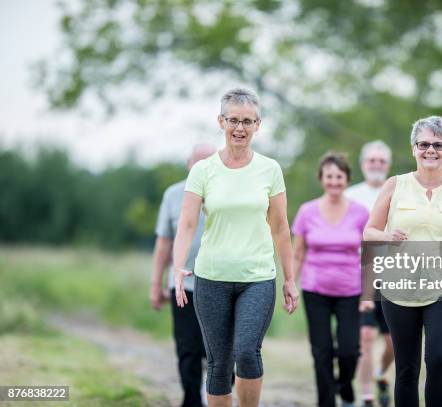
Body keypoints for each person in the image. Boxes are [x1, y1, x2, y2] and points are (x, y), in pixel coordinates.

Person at [173, 88, 299, 407]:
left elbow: (281, 227)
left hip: (256, 277)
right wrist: (177, 267)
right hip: (211, 278)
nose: (239, 128)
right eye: (233, 120)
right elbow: (186, 224)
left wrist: (289, 278)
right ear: (221, 122)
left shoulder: (270, 169)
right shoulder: (203, 170)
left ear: (258, 125)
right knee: (218, 365)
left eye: (247, 121)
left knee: (246, 352)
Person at [363, 116, 442, 407]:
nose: (431, 150)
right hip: (399, 287)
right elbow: (369, 231)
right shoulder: (395, 185)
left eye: (438, 144)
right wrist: (387, 235)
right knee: (407, 367)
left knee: (439, 358)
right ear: (413, 149)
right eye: (424, 144)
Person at [292, 152, 370, 407]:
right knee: (321, 350)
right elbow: (297, 253)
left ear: (347, 179)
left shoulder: (360, 213)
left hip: (350, 290)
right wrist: (290, 283)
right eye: (329, 176)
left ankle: (345, 385)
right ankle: (326, 402)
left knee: (349, 350)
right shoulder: (307, 211)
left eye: (339, 176)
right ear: (321, 179)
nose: (334, 182)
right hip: (315, 289)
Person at [151, 143, 215, 407]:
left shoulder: (226, 193)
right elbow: (164, 241)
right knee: (188, 348)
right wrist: (156, 283)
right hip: (183, 284)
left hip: (220, 284)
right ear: (188, 164)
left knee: (218, 348)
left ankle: (218, 393)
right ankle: (191, 401)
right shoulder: (173, 195)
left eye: (207, 161)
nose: (200, 166)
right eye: (196, 161)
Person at [345, 141, 394, 407]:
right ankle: (366, 396)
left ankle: (380, 375)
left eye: (381, 161)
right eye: (371, 160)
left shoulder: (398, 193)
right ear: (363, 164)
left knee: (393, 341)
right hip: (359, 274)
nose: (376, 165)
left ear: (388, 164)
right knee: (364, 336)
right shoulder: (351, 196)